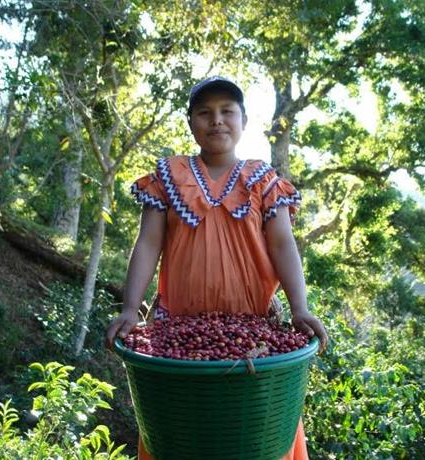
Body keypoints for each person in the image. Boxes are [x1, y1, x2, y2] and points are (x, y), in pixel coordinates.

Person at [105, 76, 329, 460]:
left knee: (257, 431)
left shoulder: (262, 180)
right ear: (191, 124)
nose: (217, 120)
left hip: (254, 334)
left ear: (243, 121)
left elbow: (282, 244)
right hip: (177, 331)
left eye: (228, 111)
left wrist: (300, 308)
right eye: (205, 113)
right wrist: (130, 308)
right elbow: (148, 243)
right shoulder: (168, 176)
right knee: (178, 431)